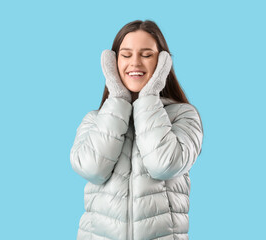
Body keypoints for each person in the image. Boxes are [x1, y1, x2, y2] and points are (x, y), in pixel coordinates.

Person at [70, 19, 204, 240]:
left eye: (147, 55)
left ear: (162, 63)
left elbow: (164, 164)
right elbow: (92, 168)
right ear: (112, 63)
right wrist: (118, 99)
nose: (135, 63)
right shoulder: (94, 120)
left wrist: (149, 97)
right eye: (126, 54)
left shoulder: (184, 116)